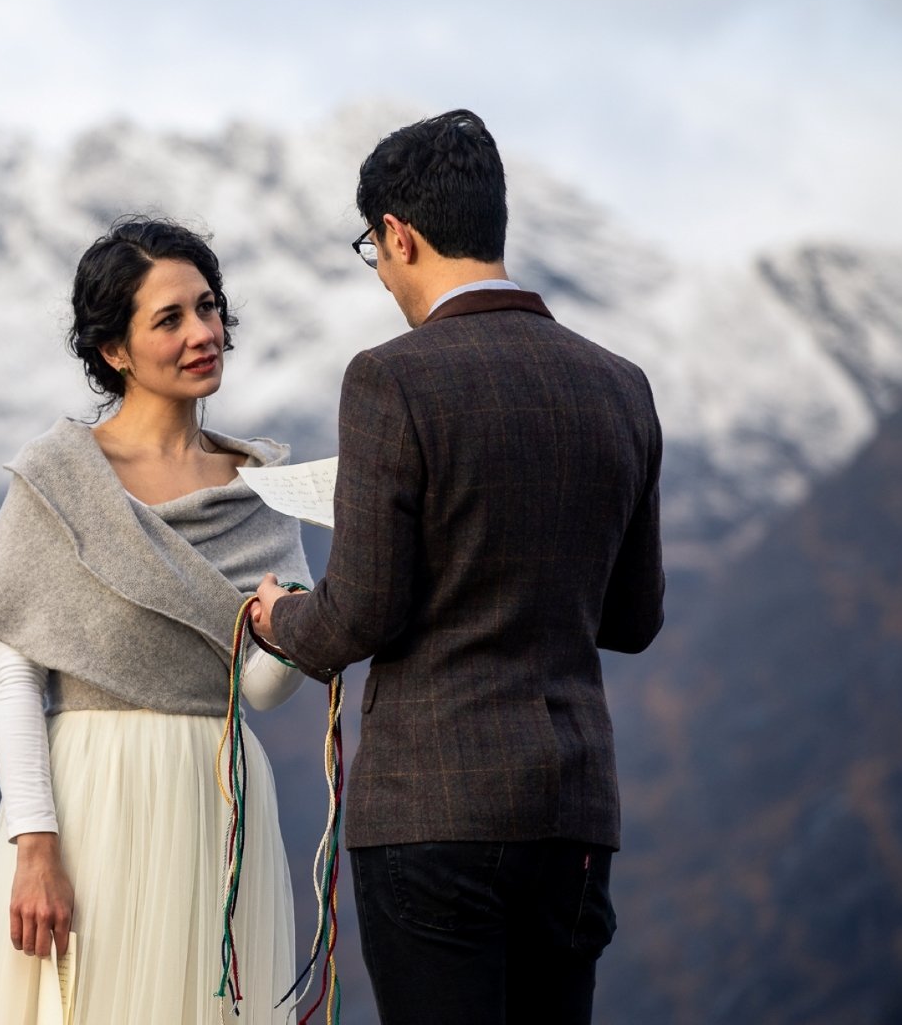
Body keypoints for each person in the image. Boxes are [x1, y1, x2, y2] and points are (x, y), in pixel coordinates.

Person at [252, 110, 665, 1025]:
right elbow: (634, 619)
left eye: (374, 247)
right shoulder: (621, 385)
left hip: (432, 807)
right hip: (573, 813)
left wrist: (275, 617)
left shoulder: (392, 379)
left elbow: (358, 615)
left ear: (399, 234)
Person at [0, 217, 310, 1023]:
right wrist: (34, 848)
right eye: (169, 319)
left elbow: (264, 690)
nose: (203, 333)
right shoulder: (60, 478)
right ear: (114, 350)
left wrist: (294, 634)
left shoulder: (263, 491)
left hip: (219, 800)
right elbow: (14, 679)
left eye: (209, 309)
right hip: (90, 797)